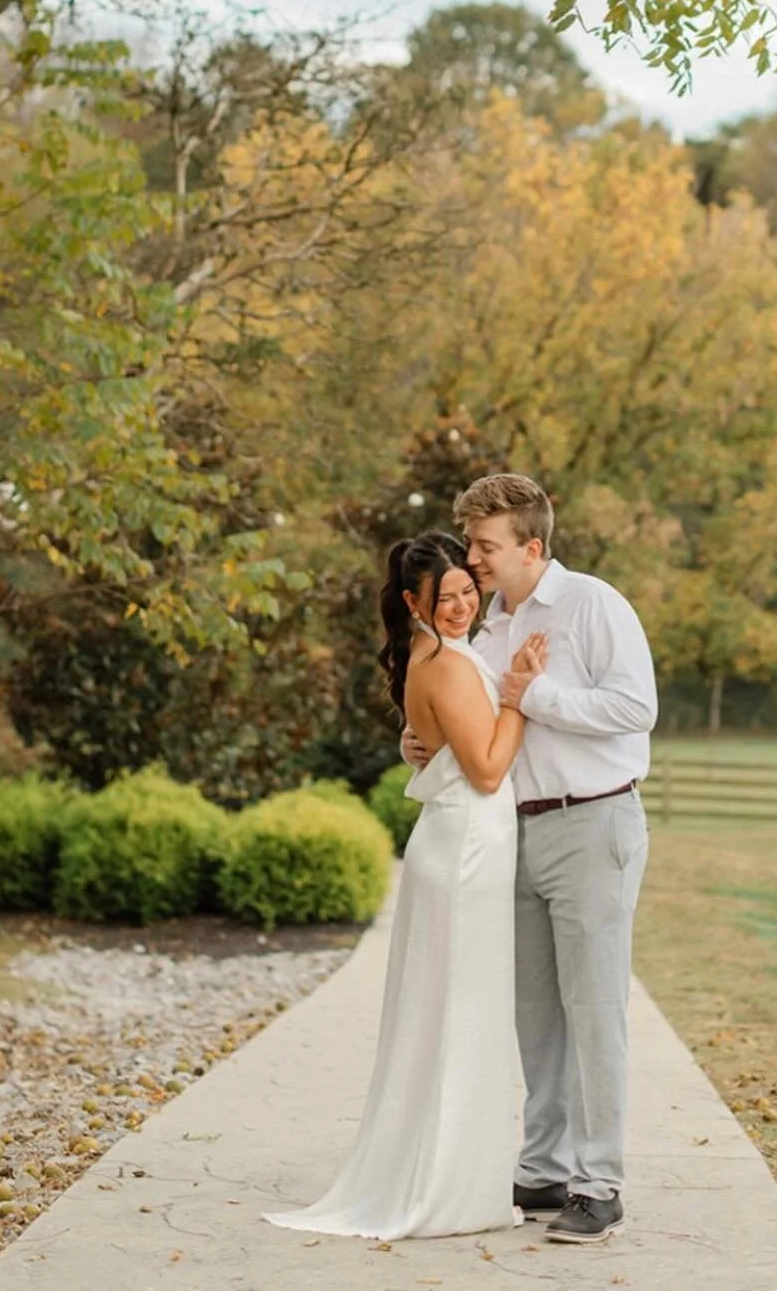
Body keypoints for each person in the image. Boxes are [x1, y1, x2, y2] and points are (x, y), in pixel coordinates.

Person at [263, 530, 546, 1241]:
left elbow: (440, 744)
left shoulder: (440, 656)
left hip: (459, 845)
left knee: (453, 1012)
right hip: (465, 852)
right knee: (459, 1013)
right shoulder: (448, 662)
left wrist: (429, 736)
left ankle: (451, 1176)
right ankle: (445, 1187)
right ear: (414, 603)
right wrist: (516, 696)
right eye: (444, 596)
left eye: (465, 590)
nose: (460, 603)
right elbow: (486, 770)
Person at [407, 473, 658, 1246]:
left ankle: (599, 1184)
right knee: (537, 1015)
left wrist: (534, 694)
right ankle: (545, 1166)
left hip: (593, 826)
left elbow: (635, 708)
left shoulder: (594, 605)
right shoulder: (487, 629)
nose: (474, 560)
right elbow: (476, 722)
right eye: (473, 544)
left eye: (485, 546)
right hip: (515, 832)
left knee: (594, 1011)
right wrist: (417, 744)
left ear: (532, 546)